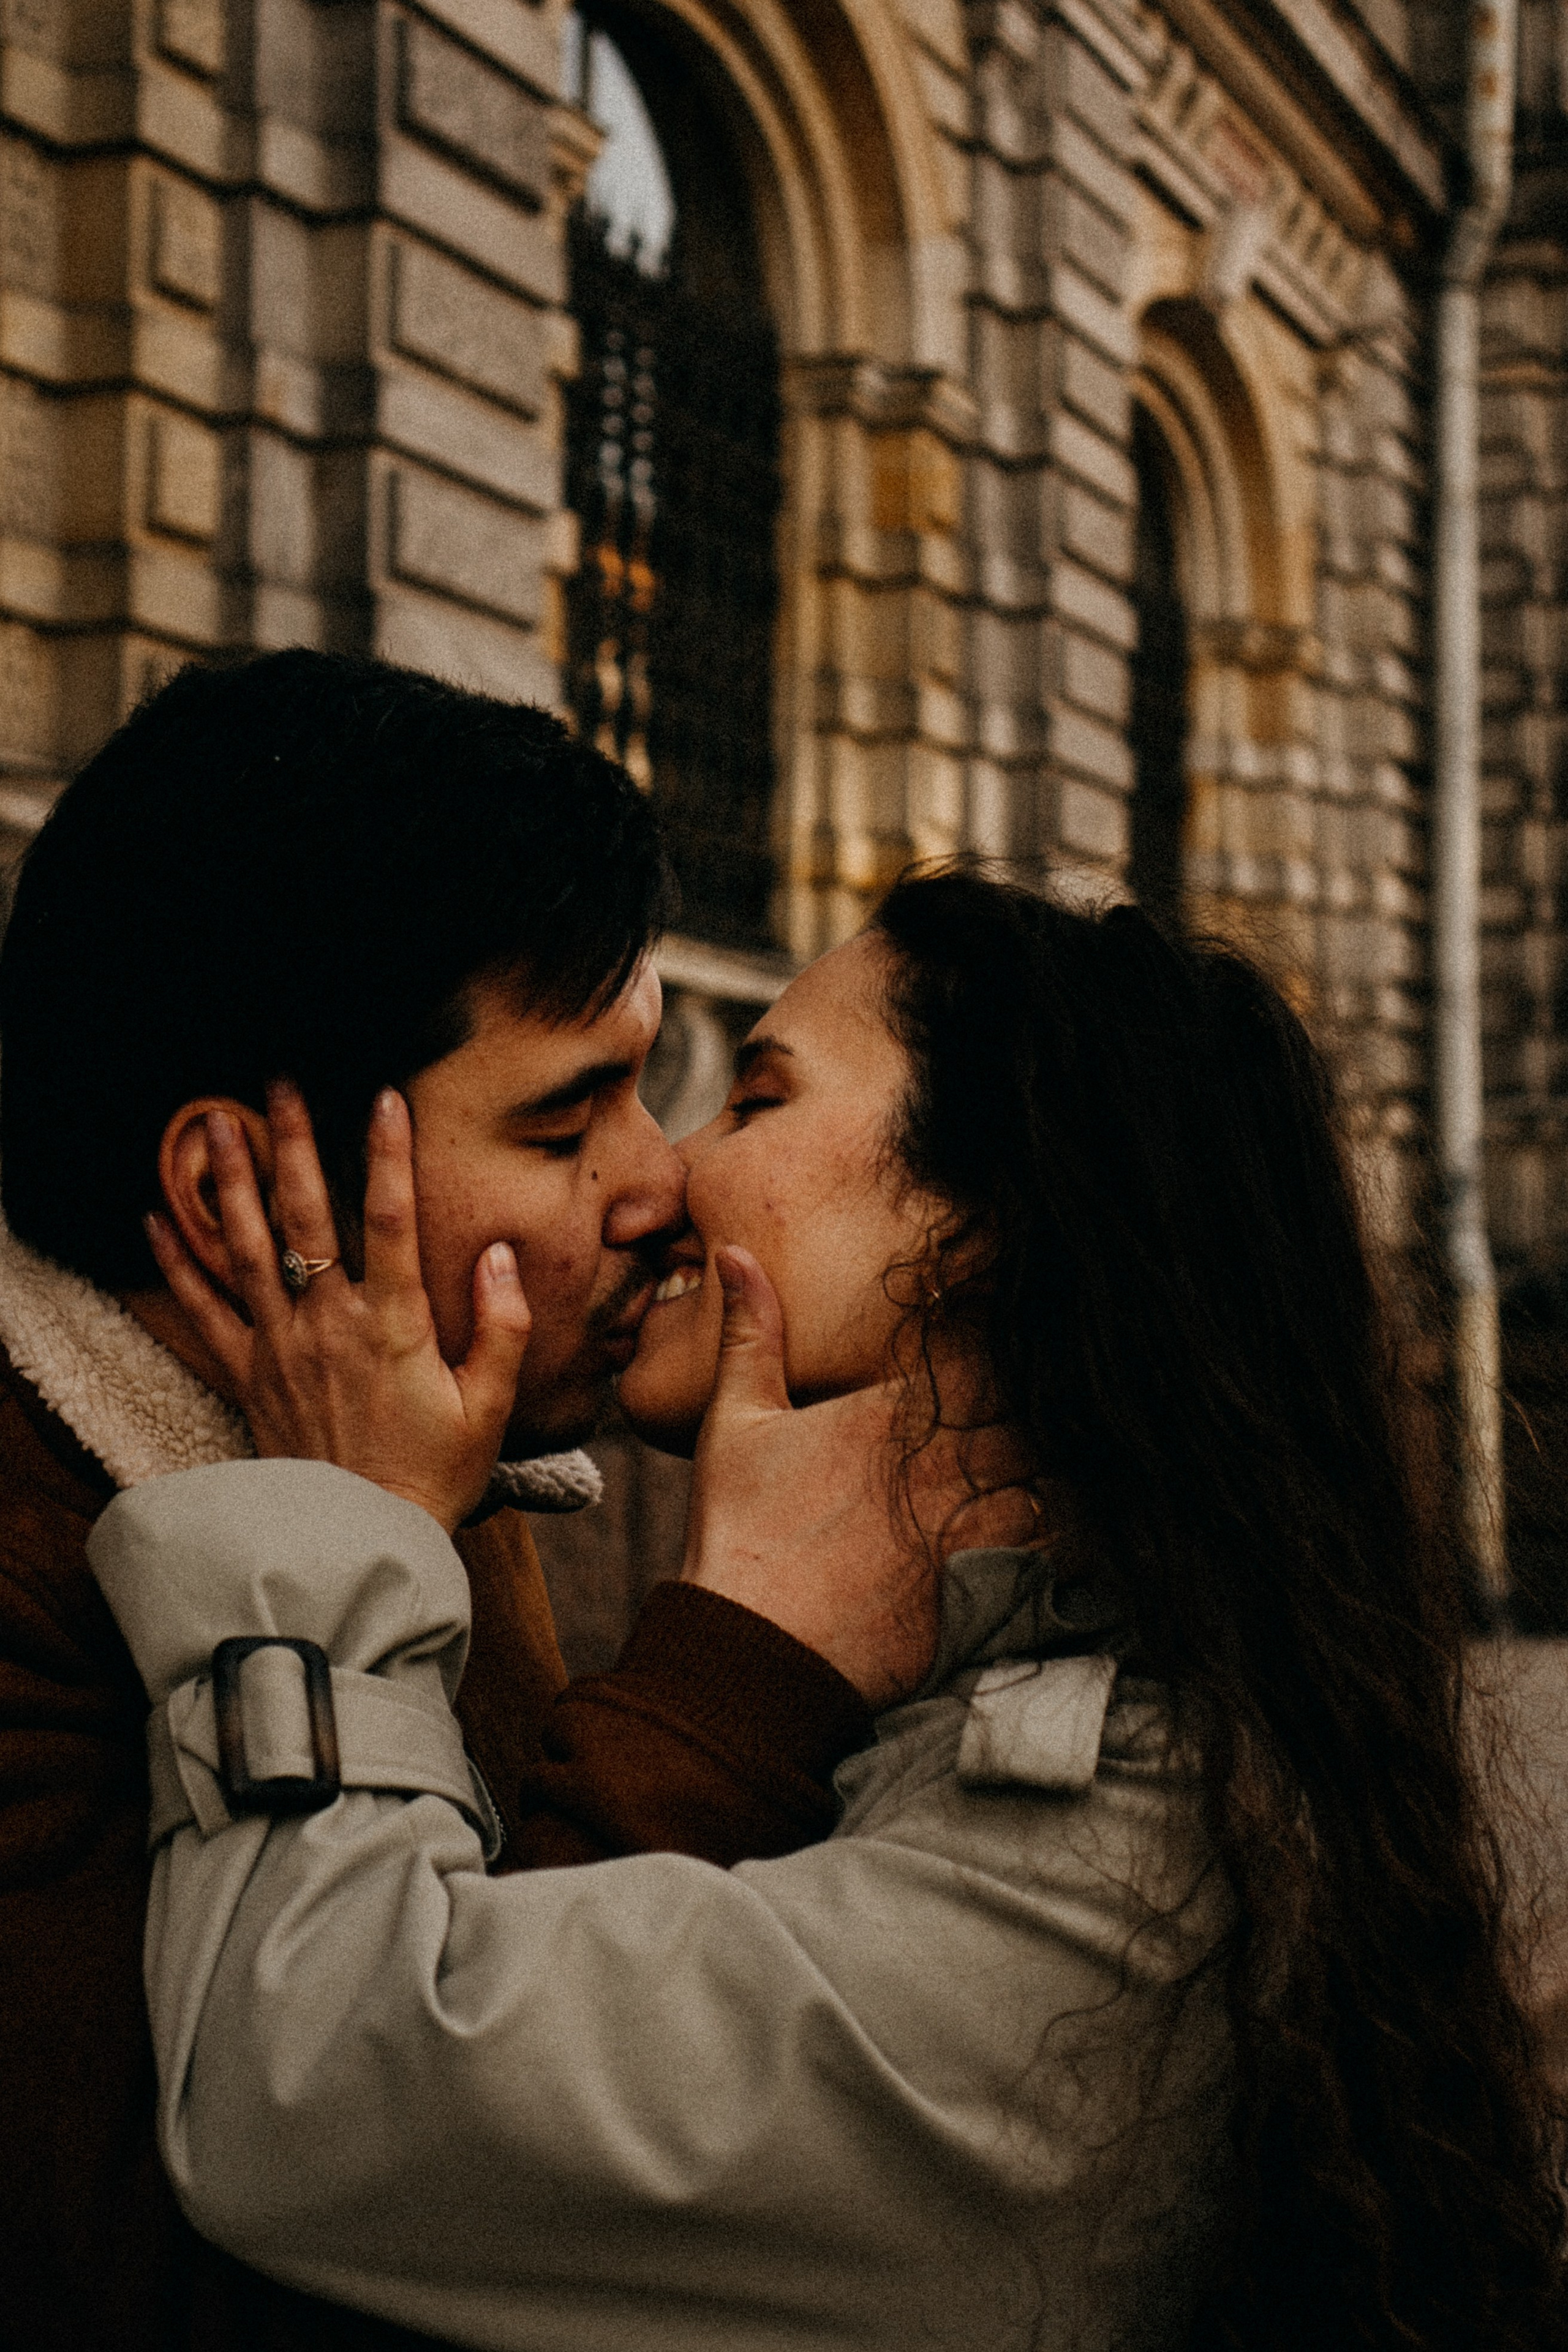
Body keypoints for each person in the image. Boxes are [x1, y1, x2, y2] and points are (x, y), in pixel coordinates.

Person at [86, 868, 1566, 2350]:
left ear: (982, 1220)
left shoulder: (1113, 1867)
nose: (661, 1178)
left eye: (755, 1100)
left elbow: (326, 2103)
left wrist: (357, 1524)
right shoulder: (1044, 1712)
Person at [0, 649, 878, 2352]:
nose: (664, 1182)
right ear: (234, 1181)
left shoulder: (404, 1442)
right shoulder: (44, 1563)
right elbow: (341, 2271)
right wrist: (730, 1681)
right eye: (565, 1129)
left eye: (650, 1088)